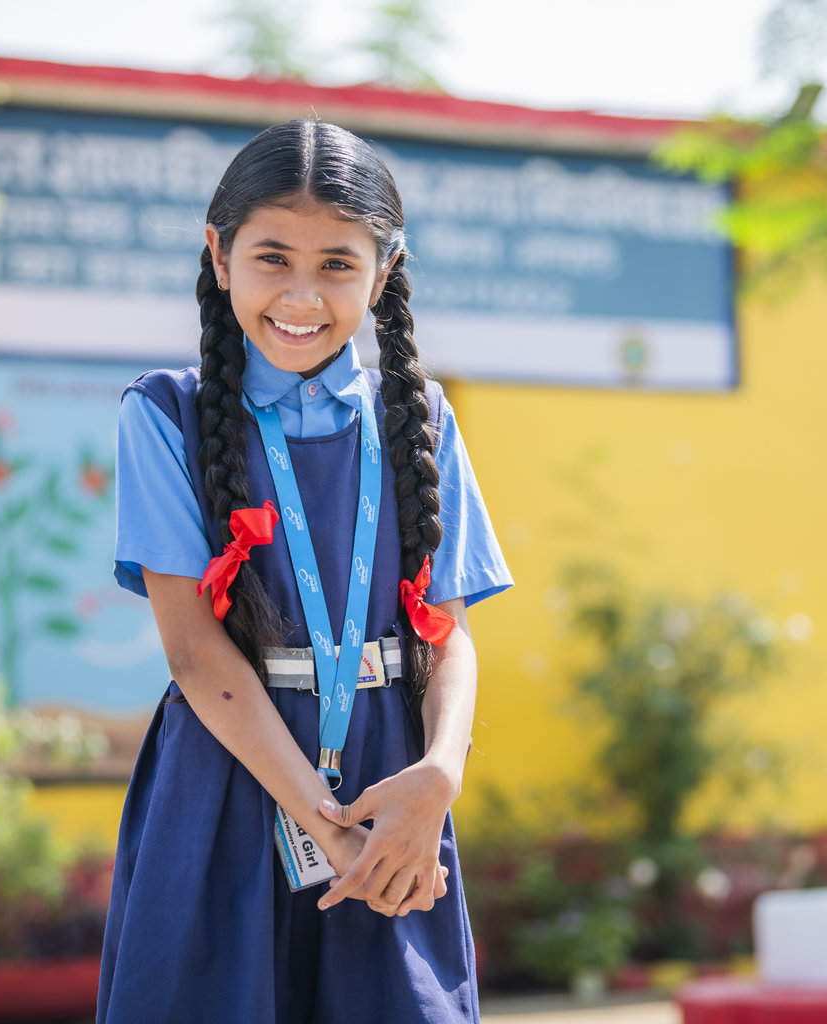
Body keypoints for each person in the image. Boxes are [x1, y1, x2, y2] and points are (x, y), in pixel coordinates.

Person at [98, 119, 512, 1023]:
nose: (301, 294)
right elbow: (197, 656)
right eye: (272, 258)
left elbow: (451, 637)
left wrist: (436, 780)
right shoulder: (164, 415)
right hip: (226, 785)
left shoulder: (424, 420)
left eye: (336, 264)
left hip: (393, 794)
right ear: (219, 254)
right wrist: (330, 828)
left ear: (385, 270)